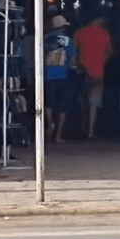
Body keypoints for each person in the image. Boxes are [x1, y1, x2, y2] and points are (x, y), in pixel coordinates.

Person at [73, 17, 114, 138]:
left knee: (81, 101)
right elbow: (110, 52)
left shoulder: (80, 32)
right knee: (94, 103)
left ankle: (82, 127)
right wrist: (102, 61)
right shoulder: (104, 34)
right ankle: (90, 131)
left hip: (82, 71)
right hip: (98, 73)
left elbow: (73, 50)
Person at [43, 15, 77, 143]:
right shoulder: (69, 40)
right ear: (63, 26)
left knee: (48, 103)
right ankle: (58, 135)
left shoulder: (45, 39)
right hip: (64, 74)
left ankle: (50, 123)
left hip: (48, 75)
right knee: (63, 106)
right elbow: (73, 59)